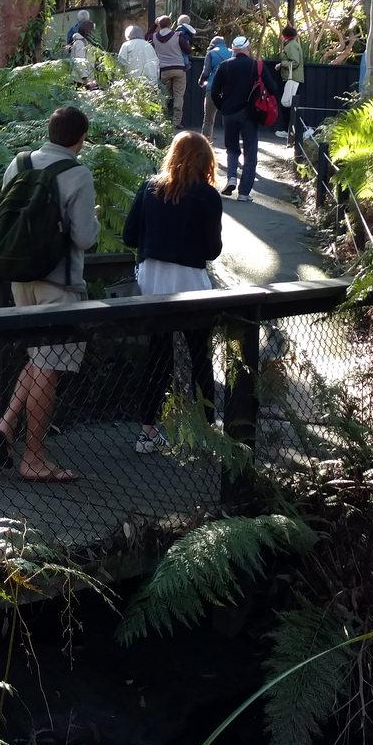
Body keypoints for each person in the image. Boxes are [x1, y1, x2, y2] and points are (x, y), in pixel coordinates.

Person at [0, 105, 98, 483]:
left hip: (20, 277)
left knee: (38, 358)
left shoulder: (18, 164)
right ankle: (33, 457)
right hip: (59, 282)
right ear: (79, 139)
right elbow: (85, 237)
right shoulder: (77, 173)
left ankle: (5, 425)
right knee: (48, 368)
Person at [123, 131, 223, 453]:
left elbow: (128, 236)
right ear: (206, 161)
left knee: (157, 355)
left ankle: (147, 431)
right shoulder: (208, 197)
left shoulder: (150, 188)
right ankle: (207, 427)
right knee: (199, 357)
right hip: (191, 283)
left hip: (152, 282)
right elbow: (211, 250)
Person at [208, 35, 261, 201]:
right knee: (250, 152)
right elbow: (271, 87)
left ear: (233, 49)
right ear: (247, 48)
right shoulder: (255, 66)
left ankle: (231, 176)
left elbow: (214, 91)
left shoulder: (225, 66)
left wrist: (222, 106)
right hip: (250, 114)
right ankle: (244, 193)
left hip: (229, 113)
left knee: (231, 148)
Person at [150, 15, 189, 124]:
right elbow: (188, 50)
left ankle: (163, 119)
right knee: (178, 95)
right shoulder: (177, 36)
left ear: (159, 25)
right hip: (178, 69)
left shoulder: (154, 36)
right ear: (171, 24)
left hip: (163, 69)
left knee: (163, 95)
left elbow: (146, 36)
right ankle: (176, 121)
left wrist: (154, 25)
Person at [277, 25, 307, 141]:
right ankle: (291, 131)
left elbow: (295, 62)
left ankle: (294, 131)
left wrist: (281, 64)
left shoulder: (291, 46)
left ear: (284, 36)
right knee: (290, 105)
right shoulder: (293, 45)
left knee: (288, 104)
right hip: (293, 78)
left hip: (292, 78)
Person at [199, 33, 231, 136]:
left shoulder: (211, 53)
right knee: (230, 119)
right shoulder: (232, 52)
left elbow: (206, 72)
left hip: (213, 88)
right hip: (229, 88)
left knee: (208, 120)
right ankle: (231, 145)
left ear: (213, 45)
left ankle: (206, 145)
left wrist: (201, 82)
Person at [67, 13, 96, 82]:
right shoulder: (79, 43)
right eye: (92, 31)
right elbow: (80, 62)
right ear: (87, 32)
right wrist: (85, 79)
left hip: (87, 79)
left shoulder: (87, 42)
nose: (94, 33)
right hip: (80, 81)